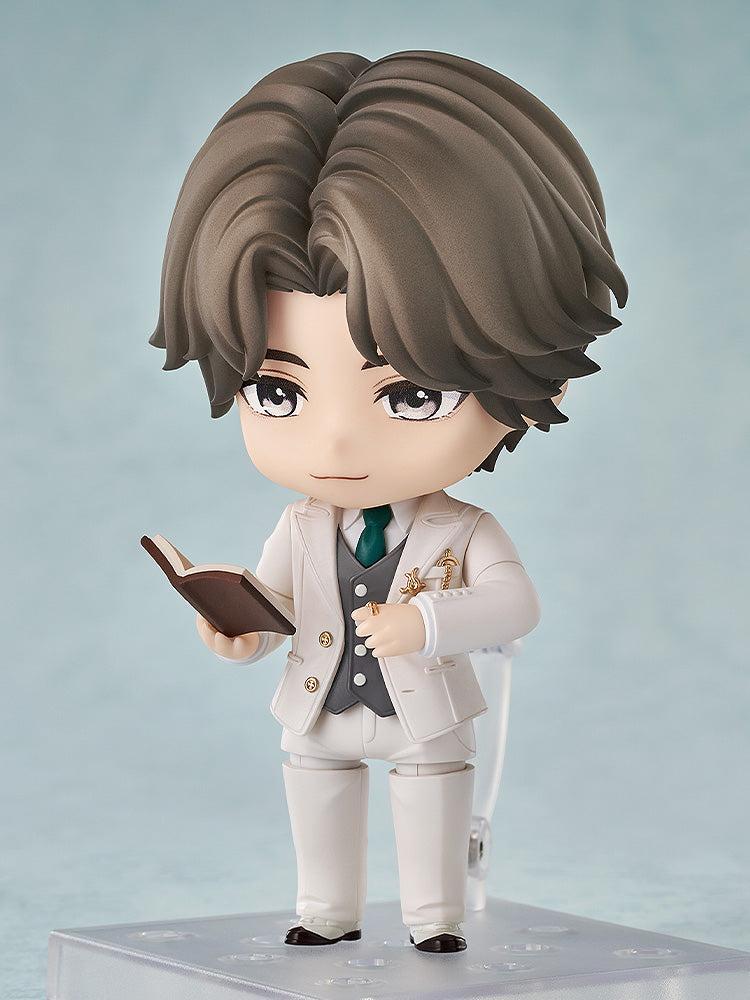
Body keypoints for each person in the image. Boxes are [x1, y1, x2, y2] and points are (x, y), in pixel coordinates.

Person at [150, 50, 627, 953]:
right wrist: (242, 629)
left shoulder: (464, 528)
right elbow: (280, 599)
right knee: (318, 799)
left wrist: (430, 624)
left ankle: (433, 921)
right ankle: (325, 912)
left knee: (430, 805)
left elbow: (516, 604)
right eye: (277, 391)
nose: (335, 446)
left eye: (411, 397)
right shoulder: (300, 523)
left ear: (542, 377)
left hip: (424, 709)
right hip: (320, 705)